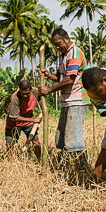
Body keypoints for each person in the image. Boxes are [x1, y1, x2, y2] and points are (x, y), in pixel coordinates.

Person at [38, 28, 90, 169]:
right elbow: (61, 78)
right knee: (61, 136)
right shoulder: (62, 55)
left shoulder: (74, 53)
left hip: (78, 99)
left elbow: (70, 79)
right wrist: (49, 77)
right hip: (67, 101)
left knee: (73, 137)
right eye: (54, 44)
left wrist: (49, 90)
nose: (57, 47)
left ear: (67, 38)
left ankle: (83, 168)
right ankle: (62, 166)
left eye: (59, 43)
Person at [5, 79, 42, 161]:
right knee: (10, 145)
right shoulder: (15, 97)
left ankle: (40, 160)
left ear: (31, 90)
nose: (25, 96)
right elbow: (14, 118)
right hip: (13, 124)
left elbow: (41, 98)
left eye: (27, 94)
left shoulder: (36, 92)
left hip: (28, 122)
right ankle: (11, 164)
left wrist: (42, 106)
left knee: (36, 141)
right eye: (23, 94)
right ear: (19, 90)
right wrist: (33, 120)